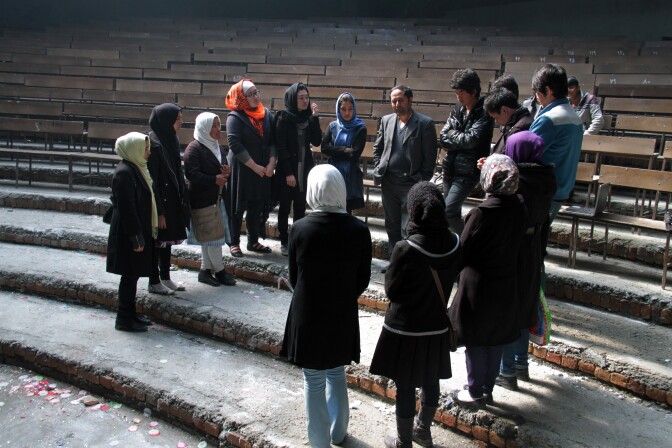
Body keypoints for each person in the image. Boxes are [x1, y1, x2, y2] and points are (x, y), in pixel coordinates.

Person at [280, 164, 372, 448]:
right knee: (336, 372)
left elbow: (295, 277)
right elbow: (363, 279)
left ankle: (319, 442)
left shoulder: (300, 228)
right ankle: (337, 433)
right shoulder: (360, 230)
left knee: (314, 380)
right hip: (342, 313)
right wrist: (342, 294)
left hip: (308, 314)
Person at [370, 181, 462, 448]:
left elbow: (392, 291)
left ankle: (404, 441)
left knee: (406, 386)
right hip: (436, 326)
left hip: (405, 329)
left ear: (414, 210)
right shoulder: (455, 243)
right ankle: (423, 430)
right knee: (431, 380)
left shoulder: (406, 248)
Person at [449, 154, 527, 408]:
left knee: (475, 340)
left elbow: (463, 250)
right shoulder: (520, 209)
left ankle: (475, 391)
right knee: (495, 339)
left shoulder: (481, 213)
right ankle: (488, 389)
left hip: (478, 286)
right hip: (505, 282)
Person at [496, 131, 556, 390]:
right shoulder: (547, 177)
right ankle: (521, 364)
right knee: (525, 309)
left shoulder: (515, 181)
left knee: (508, 312)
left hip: (513, 253)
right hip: (534, 252)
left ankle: (507, 371)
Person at [529, 64, 583, 290]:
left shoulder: (550, 118)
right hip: (559, 190)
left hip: (543, 192)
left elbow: (525, 148)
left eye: (538, 93)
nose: (537, 99)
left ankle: (533, 304)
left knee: (531, 250)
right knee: (537, 246)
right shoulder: (574, 116)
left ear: (548, 90)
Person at [372, 85, 437, 258]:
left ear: (410, 99)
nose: (397, 104)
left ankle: (407, 261)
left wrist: (422, 180)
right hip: (389, 181)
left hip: (411, 182)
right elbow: (378, 147)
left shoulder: (425, 123)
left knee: (407, 226)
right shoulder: (387, 120)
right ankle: (395, 261)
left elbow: (430, 157)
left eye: (400, 100)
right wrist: (379, 166)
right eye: (393, 101)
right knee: (391, 224)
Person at [106, 132, 157, 333]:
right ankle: (123, 318)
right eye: (145, 149)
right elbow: (127, 209)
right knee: (129, 276)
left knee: (133, 275)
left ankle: (131, 315)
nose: (148, 152)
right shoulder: (124, 173)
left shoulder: (137, 168)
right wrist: (137, 238)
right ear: (134, 149)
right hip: (128, 235)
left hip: (136, 231)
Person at [183, 112, 237, 287]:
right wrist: (214, 179)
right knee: (213, 239)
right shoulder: (194, 148)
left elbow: (219, 169)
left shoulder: (216, 146)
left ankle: (205, 270)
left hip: (217, 199)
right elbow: (192, 174)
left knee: (211, 237)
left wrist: (225, 172)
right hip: (203, 201)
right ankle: (219, 271)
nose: (217, 129)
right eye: (213, 126)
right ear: (204, 128)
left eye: (218, 125)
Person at [225, 78, 277, 258]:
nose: (255, 96)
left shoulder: (266, 114)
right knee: (238, 206)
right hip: (243, 167)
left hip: (262, 166)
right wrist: (255, 167)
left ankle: (253, 241)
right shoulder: (235, 117)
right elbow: (235, 144)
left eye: (257, 92)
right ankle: (234, 242)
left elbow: (272, 141)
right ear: (241, 97)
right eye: (251, 94)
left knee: (257, 203)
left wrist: (271, 163)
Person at [440, 68, 494, 235]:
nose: (458, 97)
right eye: (456, 92)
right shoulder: (458, 109)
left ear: (474, 91)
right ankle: (460, 246)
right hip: (450, 168)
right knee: (450, 213)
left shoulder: (484, 113)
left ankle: (468, 243)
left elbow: (472, 140)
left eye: (461, 92)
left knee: (448, 211)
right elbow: (442, 136)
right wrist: (460, 139)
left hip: (468, 172)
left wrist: (453, 137)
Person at [274, 82, 322, 257]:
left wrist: (315, 117)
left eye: (307, 97)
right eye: (300, 98)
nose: (305, 101)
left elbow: (317, 141)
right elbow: (281, 148)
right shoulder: (282, 118)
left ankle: (297, 240)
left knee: (301, 207)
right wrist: (288, 173)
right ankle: (284, 241)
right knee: (285, 206)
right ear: (292, 99)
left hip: (305, 169)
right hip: (288, 169)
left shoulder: (309, 118)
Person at [147, 103, 189, 295]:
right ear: (167, 121)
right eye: (178, 118)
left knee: (168, 241)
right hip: (160, 202)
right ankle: (154, 280)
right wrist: (160, 213)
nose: (181, 122)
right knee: (157, 243)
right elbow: (153, 181)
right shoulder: (153, 144)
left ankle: (165, 277)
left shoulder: (170, 138)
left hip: (172, 198)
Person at [321, 92, 367, 214]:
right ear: (338, 109)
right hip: (333, 171)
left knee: (347, 209)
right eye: (343, 109)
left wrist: (335, 150)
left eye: (350, 109)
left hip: (351, 173)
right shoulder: (332, 126)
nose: (347, 113)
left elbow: (355, 153)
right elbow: (324, 148)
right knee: (331, 207)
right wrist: (345, 150)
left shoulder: (360, 128)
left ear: (354, 109)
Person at [484, 87, 532, 155]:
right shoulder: (512, 123)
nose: (496, 121)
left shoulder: (519, 128)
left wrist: (492, 162)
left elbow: (509, 158)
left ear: (504, 110)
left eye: (495, 117)